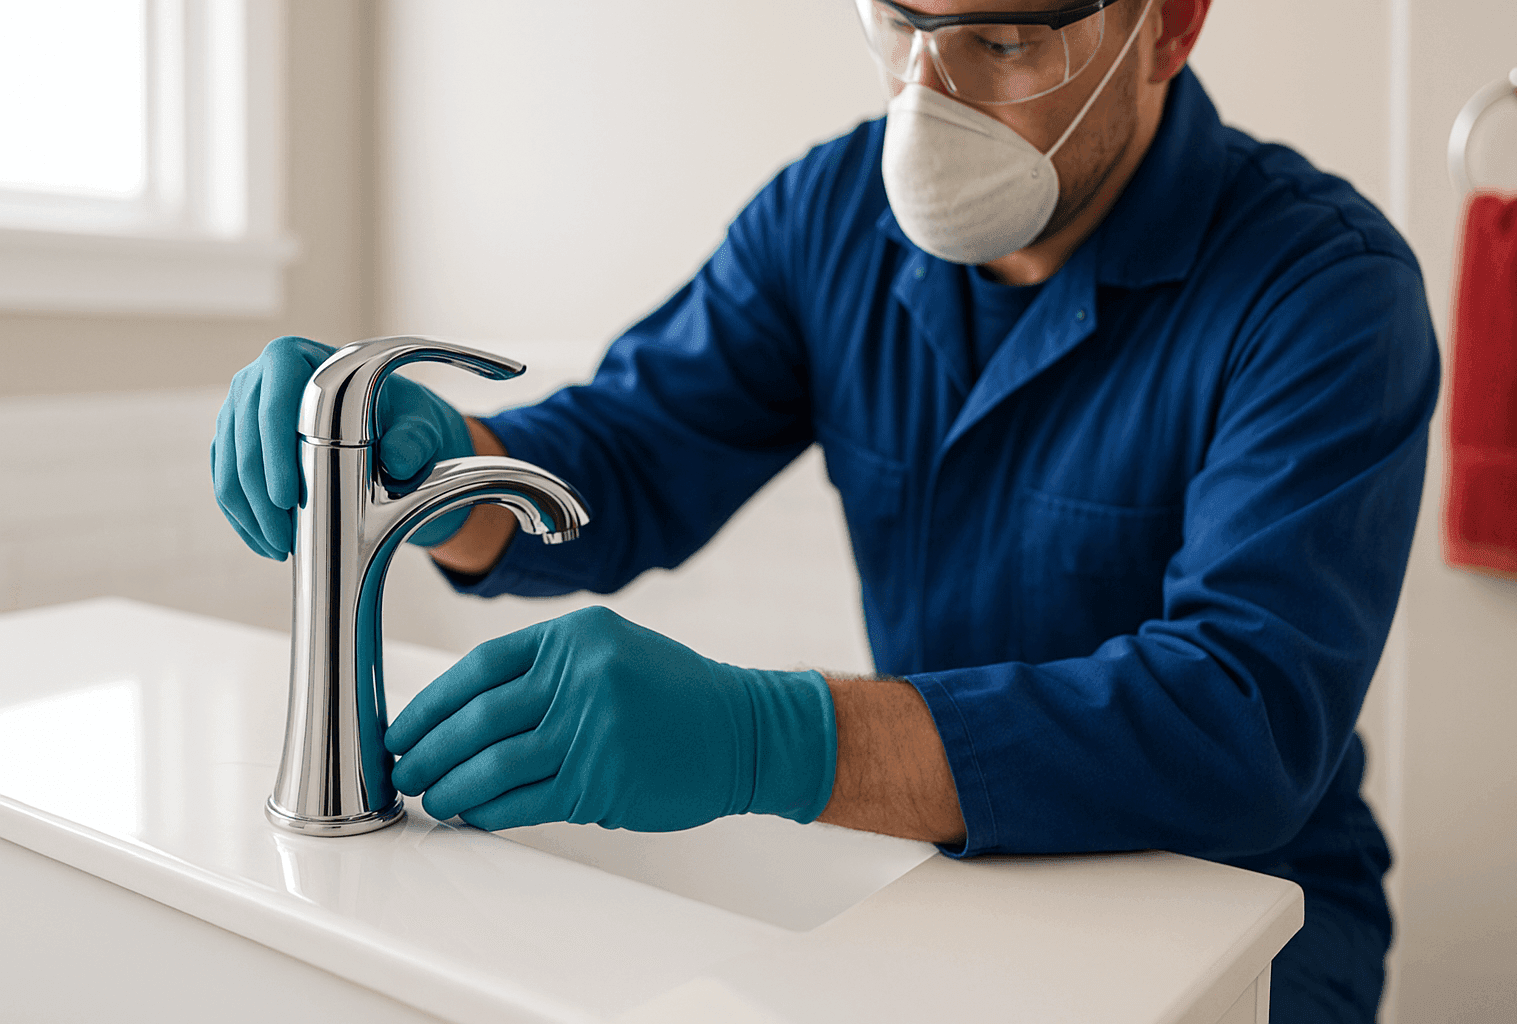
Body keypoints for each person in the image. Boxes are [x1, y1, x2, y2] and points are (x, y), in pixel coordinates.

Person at [212, 2, 1439, 1020]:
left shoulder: (1324, 290)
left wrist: (771, 736)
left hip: (1247, 907)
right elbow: (625, 462)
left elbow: (1239, 719)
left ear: (1167, 26)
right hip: (956, 878)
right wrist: (438, 465)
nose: (933, 94)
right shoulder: (831, 215)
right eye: (901, 23)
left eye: (1003, 42)